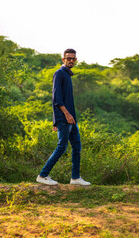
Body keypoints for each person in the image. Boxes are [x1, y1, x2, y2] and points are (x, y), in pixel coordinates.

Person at [36, 49, 91, 186]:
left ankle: (75, 178)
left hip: (71, 119)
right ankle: (43, 175)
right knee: (62, 147)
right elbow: (56, 98)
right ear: (63, 59)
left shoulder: (67, 75)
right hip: (65, 117)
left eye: (73, 58)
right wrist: (64, 116)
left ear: (76, 60)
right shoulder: (59, 73)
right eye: (68, 58)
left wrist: (67, 117)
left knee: (77, 147)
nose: (71, 60)